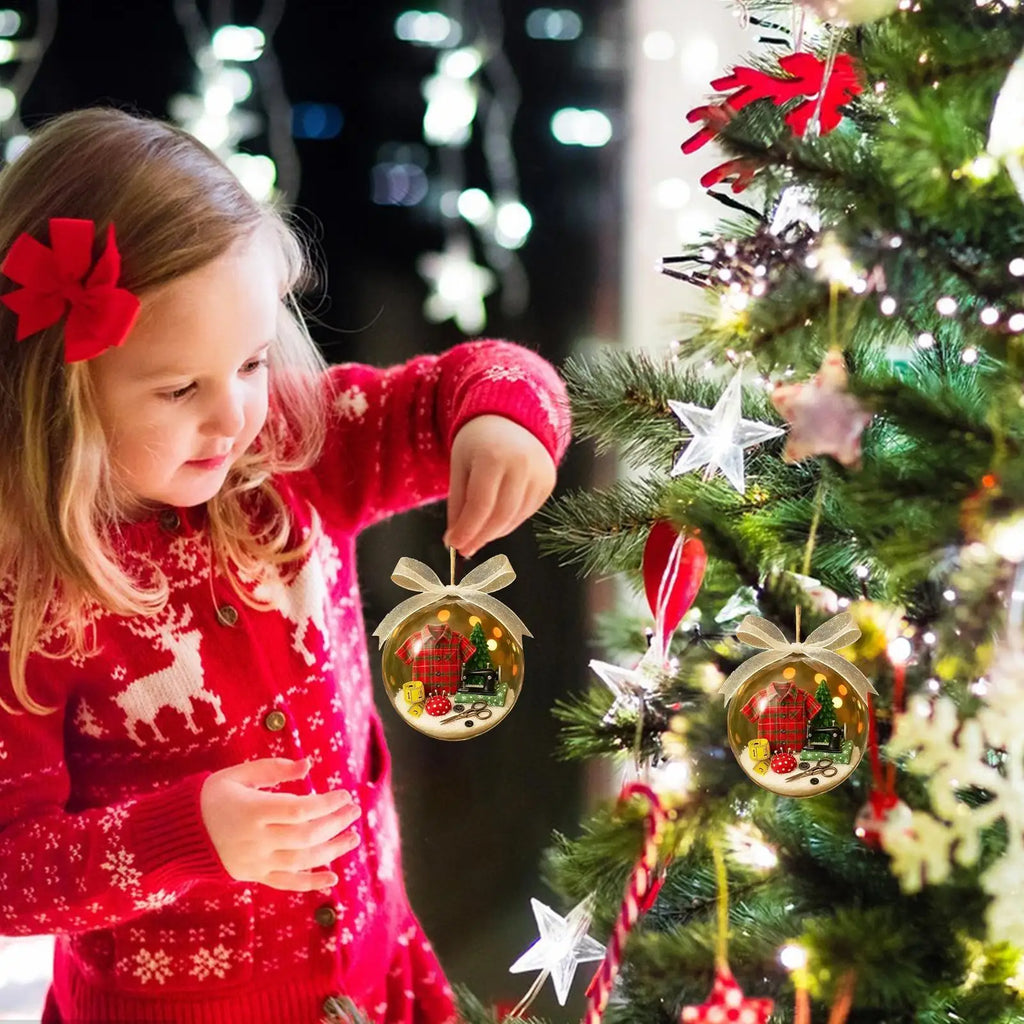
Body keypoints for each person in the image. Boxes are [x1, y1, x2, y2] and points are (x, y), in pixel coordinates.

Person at [0, 108, 570, 1024]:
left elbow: (471, 378)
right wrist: (184, 838)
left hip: (375, 972)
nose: (233, 417)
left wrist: (503, 419)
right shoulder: (26, 594)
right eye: (181, 388)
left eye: (254, 361)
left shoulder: (295, 454)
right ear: (59, 392)